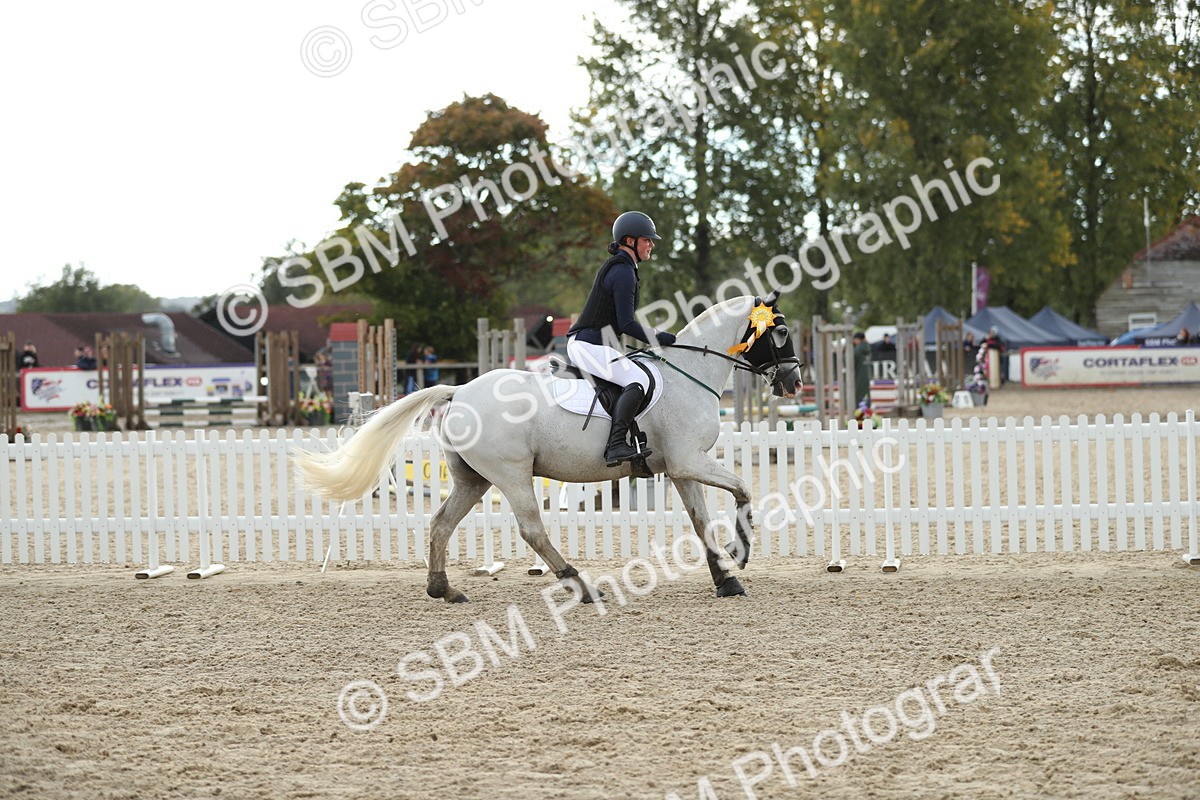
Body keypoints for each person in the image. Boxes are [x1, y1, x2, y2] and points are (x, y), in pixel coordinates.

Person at [567, 211, 676, 467]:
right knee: (638, 378)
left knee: (636, 371)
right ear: (630, 240)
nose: (652, 244)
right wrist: (659, 337)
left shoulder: (624, 268)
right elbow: (627, 324)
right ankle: (615, 445)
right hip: (587, 345)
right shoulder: (623, 272)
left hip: (594, 343)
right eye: (647, 239)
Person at [852, 332, 872, 406]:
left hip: (858, 374)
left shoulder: (857, 350)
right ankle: (867, 408)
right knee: (866, 392)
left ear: (857, 339)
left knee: (858, 393)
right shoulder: (868, 348)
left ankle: (859, 410)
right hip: (866, 375)